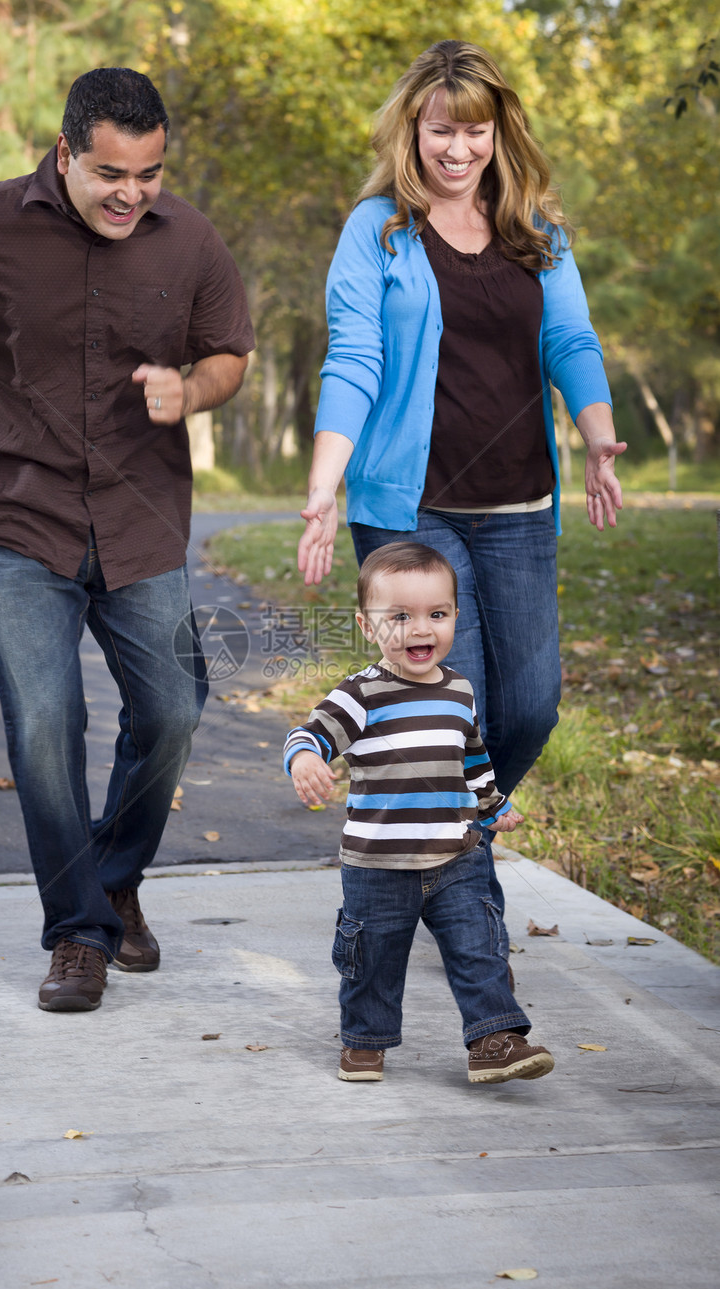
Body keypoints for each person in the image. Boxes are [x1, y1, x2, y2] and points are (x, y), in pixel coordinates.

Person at [0, 67, 255, 1013]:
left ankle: (114, 878)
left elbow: (230, 355)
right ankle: (78, 931)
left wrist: (192, 390)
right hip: (15, 516)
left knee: (173, 707)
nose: (132, 193)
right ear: (64, 152)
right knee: (45, 727)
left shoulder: (193, 237)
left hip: (141, 517)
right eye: (110, 173)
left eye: (151, 174)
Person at [296, 39, 627, 921]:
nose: (457, 150)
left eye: (473, 132)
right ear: (412, 129)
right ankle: (470, 931)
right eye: (441, 130)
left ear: (498, 132)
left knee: (531, 706)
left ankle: (443, 835)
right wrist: (325, 485)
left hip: (518, 506)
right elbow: (355, 356)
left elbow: (571, 340)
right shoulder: (378, 229)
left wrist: (598, 437)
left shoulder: (536, 229)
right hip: (413, 513)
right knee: (456, 716)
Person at [284, 542, 554, 1084]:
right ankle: (364, 1042)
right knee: (373, 960)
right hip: (378, 865)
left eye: (437, 614)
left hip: (458, 855)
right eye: (399, 617)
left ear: (456, 616)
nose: (419, 630)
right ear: (367, 625)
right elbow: (307, 732)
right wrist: (306, 758)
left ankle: (494, 1039)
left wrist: (492, 805)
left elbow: (472, 758)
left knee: (480, 945)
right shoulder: (362, 694)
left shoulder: (459, 690)